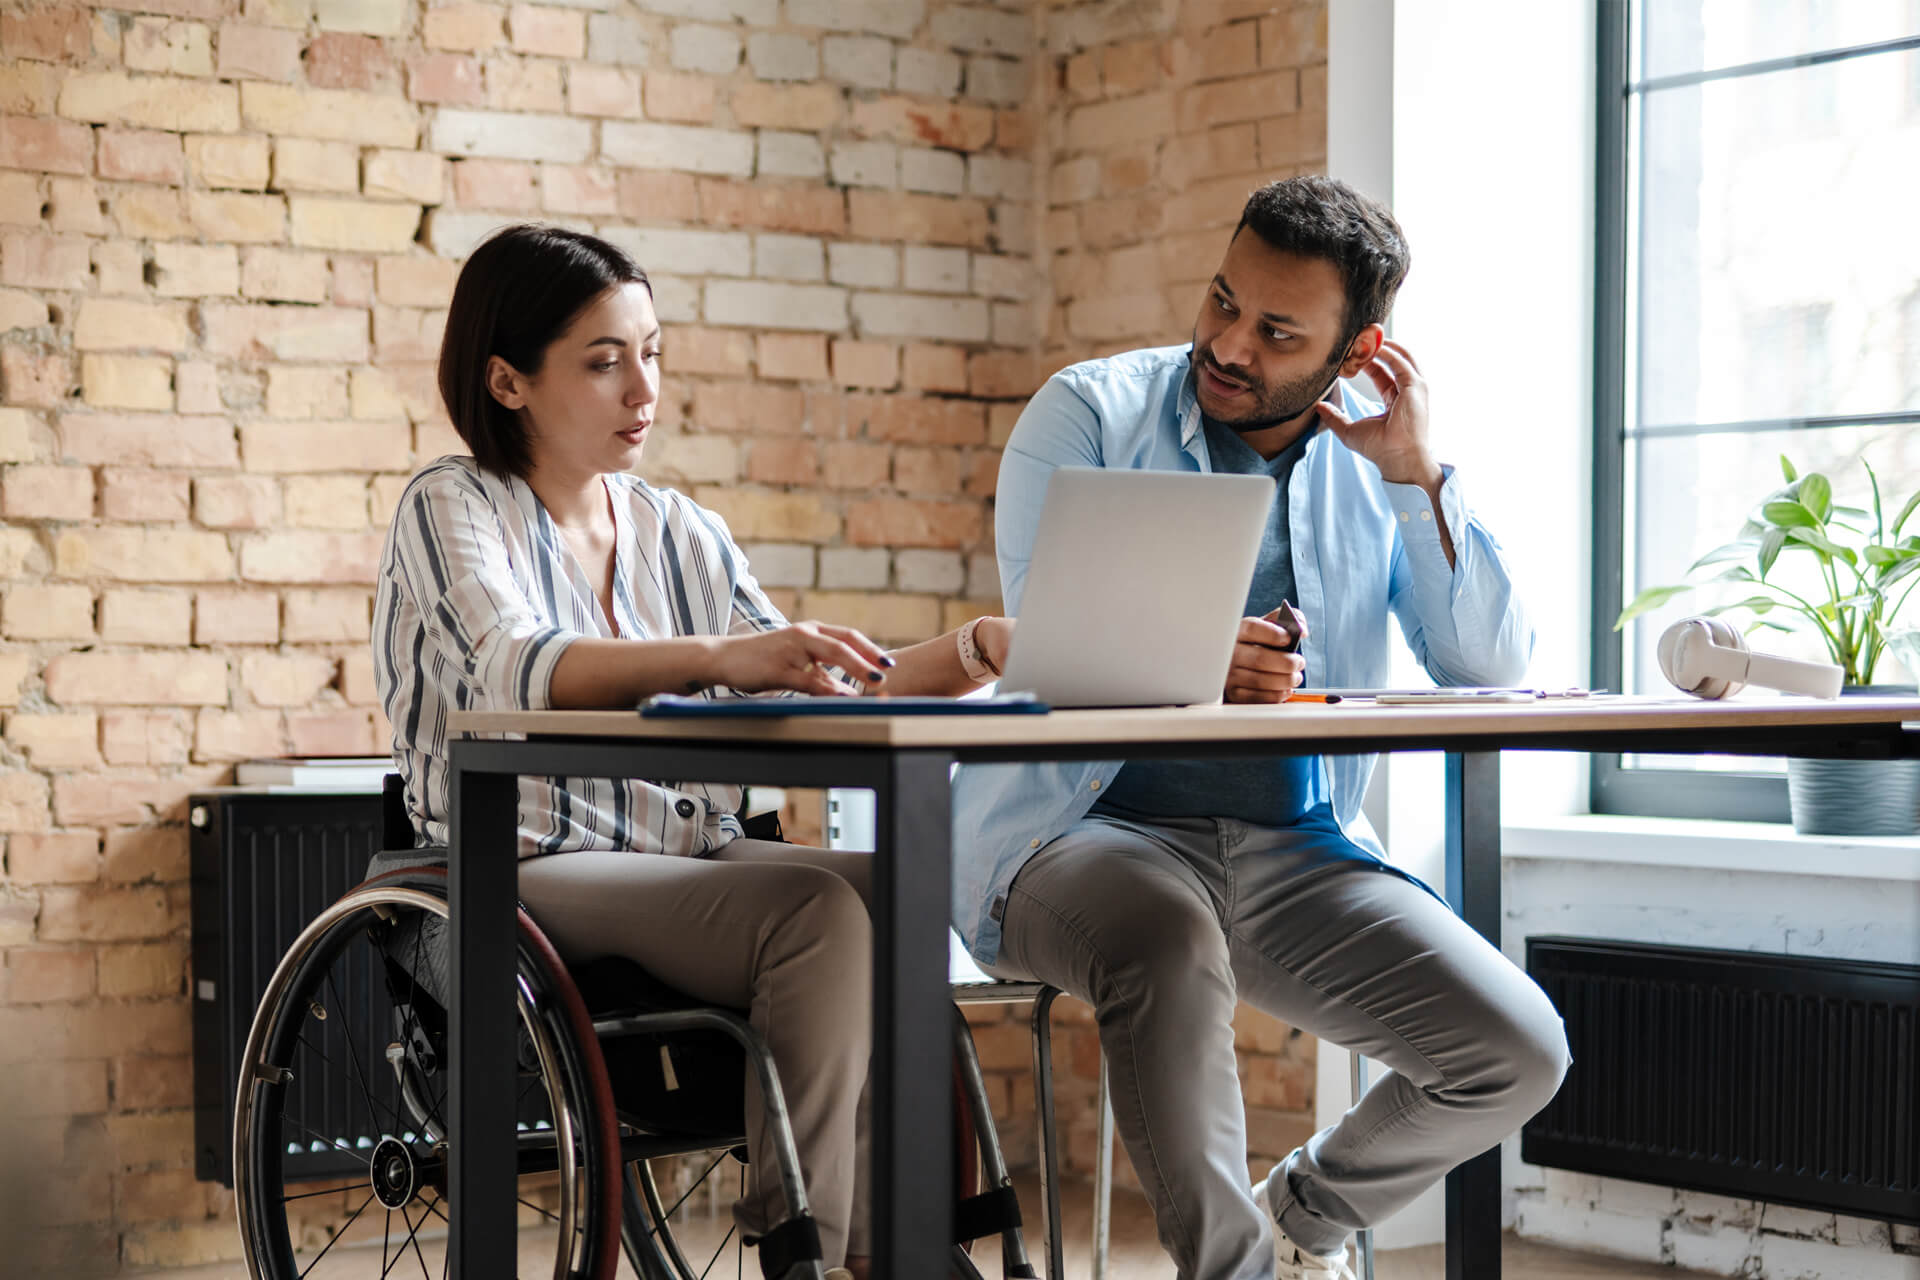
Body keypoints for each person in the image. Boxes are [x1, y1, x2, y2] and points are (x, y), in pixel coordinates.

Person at [951, 176, 1570, 1280]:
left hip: (1300, 856)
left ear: (1356, 345)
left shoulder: (1368, 460)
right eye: (1223, 302)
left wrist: (1414, 476)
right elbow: (1044, 631)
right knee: (1165, 935)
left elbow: (1488, 664)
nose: (1229, 343)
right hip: (1081, 834)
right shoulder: (1090, 411)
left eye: (1277, 330)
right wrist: (1192, 657)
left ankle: (1302, 1214)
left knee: (1515, 1050)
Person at [371, 222, 1015, 1280]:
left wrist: (987, 642)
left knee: (897, 885)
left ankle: (896, 1237)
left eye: (653, 352)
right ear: (509, 379)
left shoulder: (682, 530)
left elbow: (839, 677)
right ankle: (811, 1245)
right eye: (604, 359)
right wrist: (722, 653)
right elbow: (513, 665)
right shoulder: (452, 504)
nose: (644, 387)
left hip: (689, 847)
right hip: (520, 862)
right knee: (812, 914)